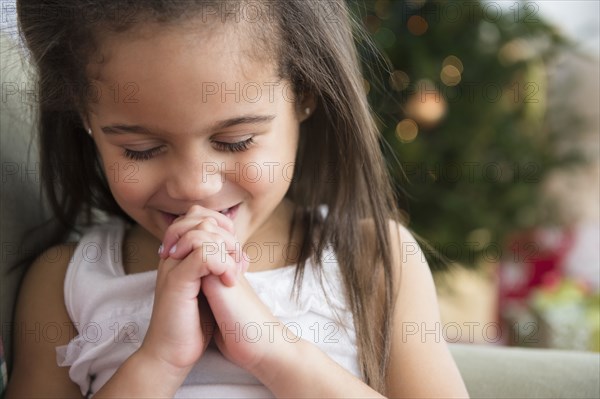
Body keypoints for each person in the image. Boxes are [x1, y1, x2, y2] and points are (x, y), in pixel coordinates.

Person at [6, 0, 468, 397]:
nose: (195, 186)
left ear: (304, 94)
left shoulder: (375, 259)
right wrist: (158, 362)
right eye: (139, 150)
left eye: (236, 141)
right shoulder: (65, 282)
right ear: (84, 116)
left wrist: (274, 354)